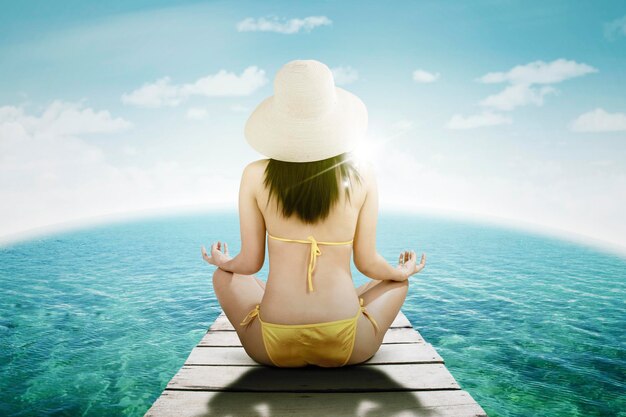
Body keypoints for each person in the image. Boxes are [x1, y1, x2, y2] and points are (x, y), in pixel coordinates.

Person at [201, 59, 426, 367]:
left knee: (223, 276)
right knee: (394, 283)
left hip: (270, 346)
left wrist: (223, 262)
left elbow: (250, 263)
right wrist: (401, 272)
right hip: (347, 344)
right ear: (335, 120)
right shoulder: (363, 174)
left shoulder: (254, 175)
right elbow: (368, 262)